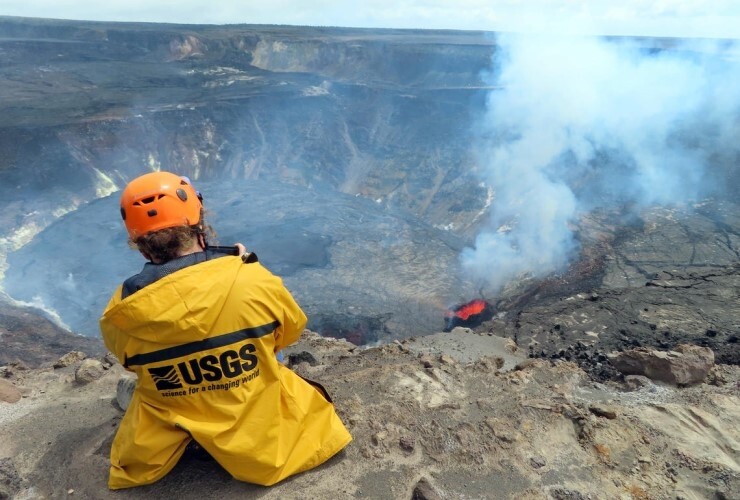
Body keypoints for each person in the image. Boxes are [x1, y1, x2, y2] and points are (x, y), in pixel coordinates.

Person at [99, 171, 352, 489]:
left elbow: (128, 361)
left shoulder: (121, 308)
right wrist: (243, 271)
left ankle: (193, 440)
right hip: (260, 434)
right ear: (196, 222)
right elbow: (289, 332)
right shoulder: (251, 280)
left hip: (172, 426)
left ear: (138, 242)